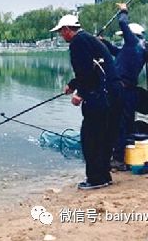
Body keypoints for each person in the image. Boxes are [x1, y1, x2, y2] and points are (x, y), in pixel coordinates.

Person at [50, 14, 121, 190]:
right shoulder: (89, 39)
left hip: (99, 96)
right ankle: (104, 175)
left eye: (61, 32)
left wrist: (79, 93)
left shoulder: (77, 43)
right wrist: (72, 85)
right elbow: (91, 68)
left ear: (67, 29)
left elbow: (86, 73)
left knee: (90, 138)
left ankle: (95, 179)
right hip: (113, 94)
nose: (61, 36)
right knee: (104, 137)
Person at [100, 3, 148, 170]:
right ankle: (125, 156)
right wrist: (103, 42)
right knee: (126, 123)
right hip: (130, 91)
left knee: (119, 124)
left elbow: (122, 23)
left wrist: (123, 11)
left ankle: (118, 159)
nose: (123, 37)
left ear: (132, 34)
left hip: (123, 90)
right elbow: (115, 51)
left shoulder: (133, 43)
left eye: (125, 35)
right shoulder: (137, 49)